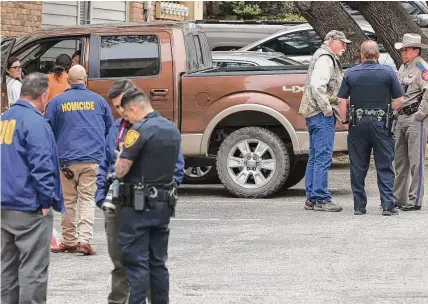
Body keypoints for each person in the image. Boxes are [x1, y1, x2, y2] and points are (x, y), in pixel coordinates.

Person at [95, 79, 185, 304]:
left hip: (135, 207)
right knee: (157, 263)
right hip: (162, 206)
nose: (123, 115)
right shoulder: (171, 129)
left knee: (135, 264)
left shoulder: (137, 130)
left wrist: (123, 155)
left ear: (133, 106)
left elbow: (120, 170)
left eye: (124, 110)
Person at [1, 72, 65, 304]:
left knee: (7, 267)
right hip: (28, 205)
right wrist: (46, 201)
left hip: (4, 203)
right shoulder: (35, 122)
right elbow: (42, 164)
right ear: (44, 95)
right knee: (33, 268)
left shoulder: (4, 119)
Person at [45, 64, 114, 255]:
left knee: (68, 201)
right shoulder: (99, 102)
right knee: (87, 199)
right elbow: (110, 130)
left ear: (68, 81)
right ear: (85, 80)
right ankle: (84, 240)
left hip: (66, 160)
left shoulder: (57, 102)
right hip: (93, 159)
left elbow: (46, 131)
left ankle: (69, 241)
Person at [337, 40, 405, 215]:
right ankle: (388, 206)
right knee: (384, 164)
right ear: (378, 55)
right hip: (382, 123)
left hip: (357, 124)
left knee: (358, 166)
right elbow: (399, 100)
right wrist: (388, 110)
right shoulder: (388, 73)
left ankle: (359, 206)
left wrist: (345, 120)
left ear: (361, 56)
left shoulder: (351, 73)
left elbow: (342, 101)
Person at [298, 30, 351, 212]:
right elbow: (317, 86)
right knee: (322, 157)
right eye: (342, 43)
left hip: (314, 114)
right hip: (321, 115)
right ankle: (321, 198)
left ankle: (312, 198)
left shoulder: (322, 56)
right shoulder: (325, 59)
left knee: (315, 156)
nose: (344, 47)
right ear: (331, 41)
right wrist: (327, 109)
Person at [393, 33, 428, 211]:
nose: (403, 53)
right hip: (401, 117)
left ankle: (415, 200)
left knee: (416, 161)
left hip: (415, 118)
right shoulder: (404, 67)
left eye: (406, 50)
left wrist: (420, 115)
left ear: (416, 50)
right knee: (400, 160)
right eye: (403, 50)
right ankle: (399, 198)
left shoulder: (422, 67)